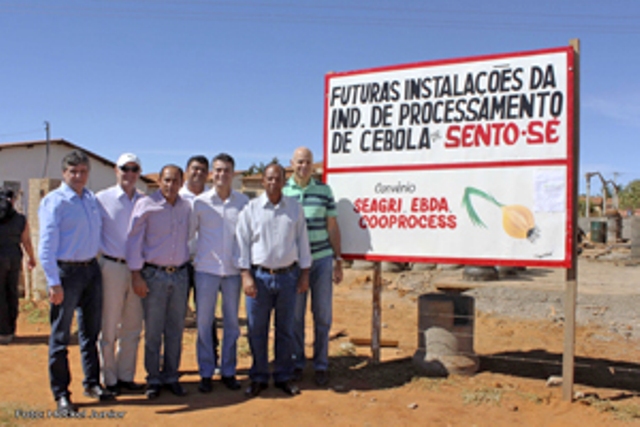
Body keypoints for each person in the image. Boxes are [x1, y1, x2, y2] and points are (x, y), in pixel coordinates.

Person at [38, 150, 114, 414]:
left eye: (83, 171)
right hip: (66, 274)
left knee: (90, 333)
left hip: (91, 270)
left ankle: (92, 383)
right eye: (73, 171)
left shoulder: (91, 199)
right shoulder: (55, 202)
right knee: (60, 336)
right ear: (64, 173)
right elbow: (46, 245)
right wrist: (53, 281)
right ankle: (61, 394)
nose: (79, 176)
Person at [236, 163, 312, 397]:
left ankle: (283, 377)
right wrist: (245, 275)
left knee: (285, 330)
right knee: (256, 330)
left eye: (277, 178)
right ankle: (259, 377)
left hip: (288, 277)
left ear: (283, 181)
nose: (273, 183)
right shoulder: (251, 209)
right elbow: (242, 243)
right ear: (263, 181)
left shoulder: (295, 209)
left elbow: (303, 242)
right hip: (259, 278)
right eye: (269, 178)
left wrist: (305, 274)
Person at [126, 164, 191, 399]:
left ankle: (171, 376)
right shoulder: (146, 205)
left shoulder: (186, 207)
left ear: (181, 183)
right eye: (166, 180)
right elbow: (133, 240)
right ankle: (153, 379)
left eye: (175, 181)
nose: (170, 185)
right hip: (154, 276)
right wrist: (136, 274)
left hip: (180, 275)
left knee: (175, 330)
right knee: (153, 331)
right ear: (159, 181)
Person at [283, 147, 343, 386]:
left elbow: (332, 227)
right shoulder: (283, 192)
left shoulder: (324, 191)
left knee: (322, 314)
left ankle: (321, 364)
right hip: (294, 264)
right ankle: (298, 363)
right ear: (292, 163)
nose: (303, 166)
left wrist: (338, 260)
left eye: (307, 162)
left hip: (321, 260)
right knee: (295, 317)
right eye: (299, 162)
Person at [190, 153, 248, 393]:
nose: (222, 174)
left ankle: (228, 370)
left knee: (232, 324)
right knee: (204, 323)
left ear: (233, 173)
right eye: (218, 170)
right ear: (212, 173)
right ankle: (206, 372)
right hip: (206, 271)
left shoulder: (243, 202)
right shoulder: (200, 203)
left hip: (233, 272)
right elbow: (190, 234)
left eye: (226, 170)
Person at [96, 153, 145, 395]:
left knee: (132, 326)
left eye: (135, 169)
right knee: (109, 325)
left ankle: (126, 376)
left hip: (137, 269)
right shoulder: (101, 199)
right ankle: (109, 378)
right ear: (116, 170)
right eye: (126, 168)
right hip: (111, 267)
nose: (130, 173)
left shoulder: (144, 201)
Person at [180, 155, 220, 366]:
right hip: (180, 263)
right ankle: (168, 362)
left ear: (208, 174)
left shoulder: (213, 197)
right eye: (195, 169)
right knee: (175, 314)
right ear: (187, 171)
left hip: (205, 264)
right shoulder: (177, 196)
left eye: (203, 170)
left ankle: (212, 359)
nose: (198, 173)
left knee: (207, 314)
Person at [0, 189, 36, 345]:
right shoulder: (21, 219)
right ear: (13, 200)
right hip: (14, 258)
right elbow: (26, 241)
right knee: (12, 293)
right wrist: (31, 258)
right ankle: (10, 329)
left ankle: (2, 331)